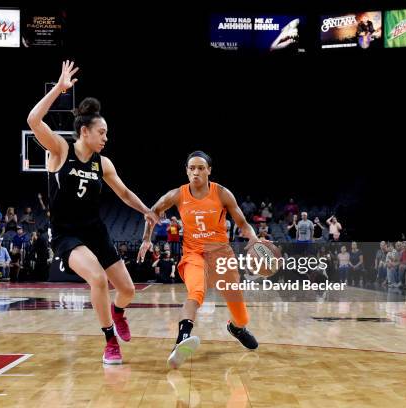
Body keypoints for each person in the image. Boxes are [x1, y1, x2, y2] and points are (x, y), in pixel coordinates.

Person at [26, 60, 159, 365]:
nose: (106, 137)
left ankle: (118, 312)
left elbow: (124, 193)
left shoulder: (104, 163)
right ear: (85, 132)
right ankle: (110, 341)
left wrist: (146, 211)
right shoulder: (60, 150)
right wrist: (59, 90)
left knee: (127, 290)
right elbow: (34, 120)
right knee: (98, 279)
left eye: (107, 133)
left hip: (95, 230)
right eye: (102, 132)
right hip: (66, 234)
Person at [138, 151, 259, 369]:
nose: (196, 172)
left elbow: (242, 223)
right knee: (195, 293)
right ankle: (181, 340)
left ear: (209, 171)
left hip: (221, 254)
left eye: (201, 168)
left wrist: (254, 237)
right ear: (186, 171)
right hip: (194, 254)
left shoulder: (222, 193)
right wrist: (146, 239)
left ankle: (237, 328)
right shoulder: (177, 195)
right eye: (191, 168)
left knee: (240, 312)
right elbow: (153, 212)